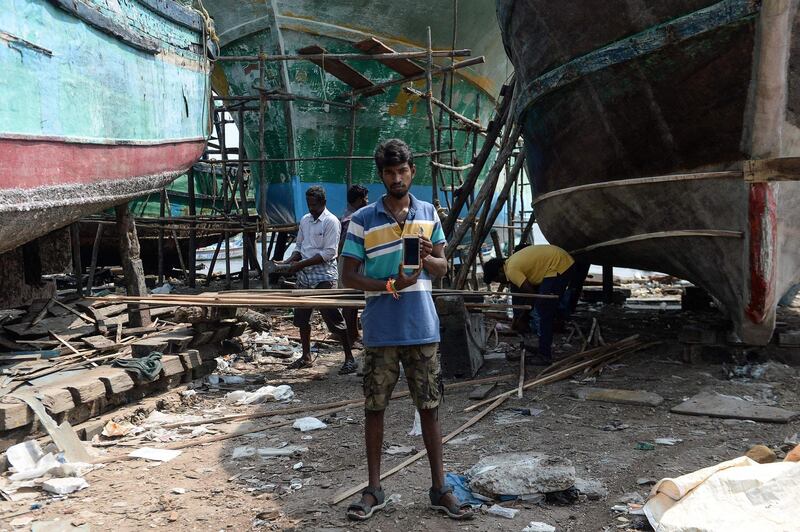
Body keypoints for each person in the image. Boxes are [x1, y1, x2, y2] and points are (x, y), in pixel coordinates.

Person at [341, 139, 474, 521]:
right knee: (374, 409)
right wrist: (389, 286)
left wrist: (432, 254)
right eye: (389, 172)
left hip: (422, 328)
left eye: (402, 171)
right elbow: (348, 275)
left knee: (430, 409)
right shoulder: (363, 219)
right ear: (381, 175)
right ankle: (374, 489)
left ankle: (439, 489)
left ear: (412, 172)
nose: (396, 178)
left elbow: (443, 268)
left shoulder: (428, 211)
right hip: (381, 330)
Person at [279, 186, 356, 374]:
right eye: (309, 204)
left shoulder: (331, 222)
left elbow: (330, 253)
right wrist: (286, 262)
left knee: (333, 318)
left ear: (323, 203)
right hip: (305, 274)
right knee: (301, 318)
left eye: (314, 205)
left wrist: (300, 264)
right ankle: (306, 356)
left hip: (324, 275)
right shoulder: (305, 220)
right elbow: (299, 246)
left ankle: (349, 358)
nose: (311, 208)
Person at [482, 244, 588, 365]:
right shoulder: (511, 263)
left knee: (544, 310)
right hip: (559, 261)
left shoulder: (511, 271)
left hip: (559, 265)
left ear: (500, 271)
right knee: (543, 308)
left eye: (498, 279)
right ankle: (543, 347)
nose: (502, 282)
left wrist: (523, 317)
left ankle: (544, 355)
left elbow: (531, 294)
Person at [338, 184, 369, 344]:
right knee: (351, 300)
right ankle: (352, 335)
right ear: (358, 200)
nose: (367, 201)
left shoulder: (348, 216)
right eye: (365, 198)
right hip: (351, 260)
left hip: (350, 259)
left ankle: (353, 334)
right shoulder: (352, 220)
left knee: (352, 299)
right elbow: (345, 245)